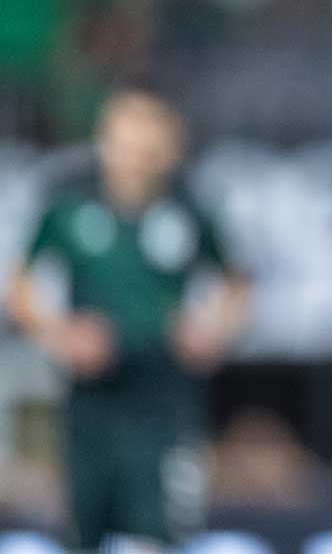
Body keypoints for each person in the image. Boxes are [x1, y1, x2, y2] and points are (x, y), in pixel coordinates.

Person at [6, 83, 250, 553]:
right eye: (126, 131)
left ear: (169, 143)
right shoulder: (70, 202)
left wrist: (213, 328)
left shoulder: (188, 207)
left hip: (166, 404)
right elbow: (18, 282)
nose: (138, 147)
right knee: (82, 536)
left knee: (160, 537)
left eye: (149, 133)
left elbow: (237, 283)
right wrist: (59, 335)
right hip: (91, 404)